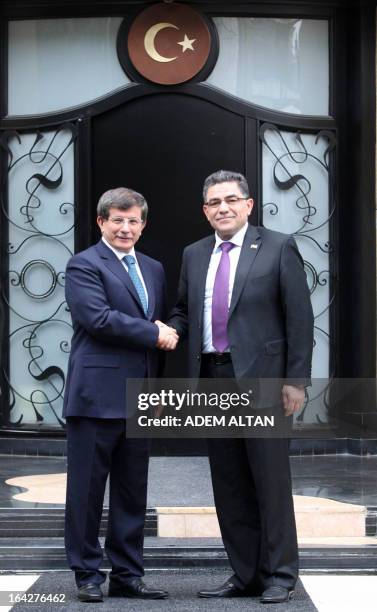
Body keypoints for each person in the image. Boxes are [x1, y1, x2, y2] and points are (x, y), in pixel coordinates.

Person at [165, 170, 314, 604]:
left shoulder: (278, 246)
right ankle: (245, 573)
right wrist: (168, 328)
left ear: (249, 204)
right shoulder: (194, 254)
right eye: (214, 202)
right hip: (213, 379)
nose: (223, 208)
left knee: (269, 480)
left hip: (264, 380)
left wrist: (296, 381)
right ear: (205, 210)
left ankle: (280, 575)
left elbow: (300, 318)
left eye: (231, 199)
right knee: (228, 482)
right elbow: (183, 309)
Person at [63, 187, 177, 603]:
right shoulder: (83, 265)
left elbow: (161, 326)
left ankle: (128, 574)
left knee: (133, 490)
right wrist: (156, 332)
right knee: (86, 491)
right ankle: (86, 573)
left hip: (141, 396)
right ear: (101, 222)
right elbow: (99, 319)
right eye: (118, 220)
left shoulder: (154, 268)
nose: (126, 227)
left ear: (143, 225)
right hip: (95, 395)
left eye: (134, 221)